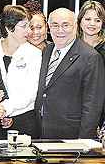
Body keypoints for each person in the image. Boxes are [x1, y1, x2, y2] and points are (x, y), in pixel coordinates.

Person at [35, 8, 105, 139]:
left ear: (75, 26)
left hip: (71, 136)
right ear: (49, 27)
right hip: (42, 131)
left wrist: (84, 142)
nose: (60, 30)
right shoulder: (47, 50)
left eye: (65, 25)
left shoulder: (90, 57)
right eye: (55, 25)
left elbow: (92, 105)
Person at [0, 5, 41, 137]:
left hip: (23, 119)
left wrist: (5, 109)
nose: (29, 31)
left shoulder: (34, 54)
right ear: (8, 28)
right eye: (24, 26)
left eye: (29, 26)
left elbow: (30, 93)